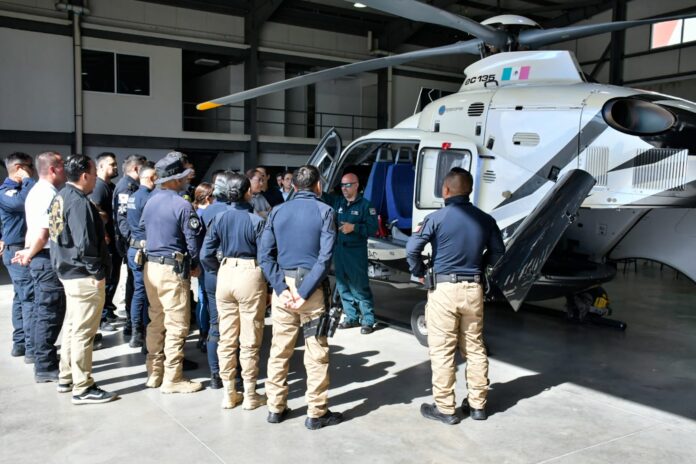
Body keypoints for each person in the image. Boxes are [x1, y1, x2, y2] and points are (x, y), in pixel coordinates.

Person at [406, 168, 505, 424]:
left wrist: (419, 272)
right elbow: (498, 253)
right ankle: (478, 405)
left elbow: (412, 249)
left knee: (442, 350)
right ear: (469, 190)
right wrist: (480, 266)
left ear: (446, 190)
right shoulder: (485, 219)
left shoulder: (436, 218)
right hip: (473, 290)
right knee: (474, 346)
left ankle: (445, 408)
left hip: (444, 291)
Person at [259, 165, 342, 430]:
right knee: (316, 351)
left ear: (293, 186)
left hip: (283, 286)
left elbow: (265, 255)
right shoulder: (325, 212)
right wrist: (304, 291)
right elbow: (325, 258)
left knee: (280, 349)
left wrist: (280, 287)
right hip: (312, 288)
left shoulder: (277, 211)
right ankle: (316, 412)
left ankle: (275, 407)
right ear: (318, 186)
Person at [48, 154, 117, 404]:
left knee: (73, 327)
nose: (96, 179)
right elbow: (85, 243)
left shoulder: (60, 197)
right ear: (85, 175)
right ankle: (83, 386)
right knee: (83, 333)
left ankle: (67, 376)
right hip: (82, 275)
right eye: (94, 174)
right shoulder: (78, 202)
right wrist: (97, 272)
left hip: (69, 272)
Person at [201, 172, 267, 410]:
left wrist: (218, 270)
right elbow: (265, 257)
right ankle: (250, 394)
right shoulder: (256, 221)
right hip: (250, 273)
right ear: (247, 192)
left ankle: (229, 393)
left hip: (225, 272)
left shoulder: (219, 218)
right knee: (249, 339)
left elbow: (205, 254)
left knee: (226, 338)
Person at [140, 151, 203, 394]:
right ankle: (173, 377)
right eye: (184, 176)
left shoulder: (150, 201)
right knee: (177, 324)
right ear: (175, 180)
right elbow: (192, 241)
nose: (187, 179)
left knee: (156, 320)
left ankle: (154, 372)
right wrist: (195, 264)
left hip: (151, 267)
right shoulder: (182, 204)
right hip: (172, 269)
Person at [12, 152, 67, 382]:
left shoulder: (39, 191)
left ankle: (38, 355)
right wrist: (31, 252)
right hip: (44, 257)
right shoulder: (47, 194)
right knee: (49, 312)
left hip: (39, 257)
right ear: (53, 169)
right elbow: (44, 232)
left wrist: (29, 251)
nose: (65, 169)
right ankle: (45, 365)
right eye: (62, 165)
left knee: (40, 309)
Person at [325, 173, 378, 334]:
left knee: (359, 286)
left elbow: (372, 229)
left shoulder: (366, 206)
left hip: (356, 251)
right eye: (342, 185)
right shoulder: (339, 202)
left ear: (356, 185)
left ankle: (368, 320)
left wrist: (354, 227)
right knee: (342, 286)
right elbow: (322, 196)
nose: (344, 188)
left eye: (348, 185)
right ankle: (351, 317)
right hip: (340, 250)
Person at [196, 179, 234, 390]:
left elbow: (200, 246)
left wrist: (209, 268)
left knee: (215, 323)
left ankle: (215, 374)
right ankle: (234, 373)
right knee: (235, 325)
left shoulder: (205, 212)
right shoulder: (237, 212)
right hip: (232, 271)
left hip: (211, 271)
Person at [0, 152, 36, 359]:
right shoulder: (6, 192)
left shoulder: (20, 190)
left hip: (22, 248)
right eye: (30, 167)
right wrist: (28, 180)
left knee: (21, 297)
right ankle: (31, 348)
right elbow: (24, 203)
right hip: (16, 250)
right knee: (28, 297)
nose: (33, 171)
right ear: (19, 168)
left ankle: (20, 343)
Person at [113, 154, 147, 336]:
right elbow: (122, 217)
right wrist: (131, 240)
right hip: (130, 242)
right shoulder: (126, 187)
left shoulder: (131, 186)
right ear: (136, 169)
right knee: (135, 284)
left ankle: (132, 320)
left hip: (131, 242)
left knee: (134, 283)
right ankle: (131, 322)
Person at [125, 161, 157, 348]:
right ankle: (144, 332)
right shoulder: (149, 198)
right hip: (145, 250)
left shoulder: (133, 196)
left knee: (139, 291)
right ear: (151, 178)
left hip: (134, 247)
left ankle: (136, 331)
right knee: (147, 293)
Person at [88, 152, 120, 332]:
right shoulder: (99, 187)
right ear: (100, 166)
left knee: (113, 278)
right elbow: (96, 211)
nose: (115, 167)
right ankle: (102, 317)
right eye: (111, 164)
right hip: (106, 242)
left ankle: (108, 310)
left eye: (115, 164)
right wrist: (105, 234)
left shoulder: (111, 186)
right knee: (106, 280)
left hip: (114, 241)